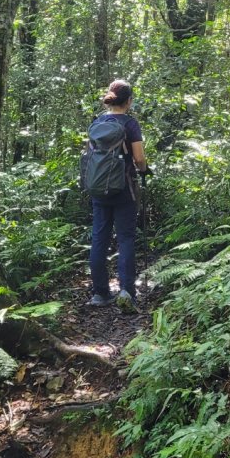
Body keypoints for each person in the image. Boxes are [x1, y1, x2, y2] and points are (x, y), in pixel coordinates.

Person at [87, 79, 148, 313]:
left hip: (98, 188)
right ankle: (127, 292)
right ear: (129, 101)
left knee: (99, 238)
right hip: (124, 189)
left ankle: (100, 293)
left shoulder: (97, 122)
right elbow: (139, 158)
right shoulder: (130, 124)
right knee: (126, 239)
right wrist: (143, 170)